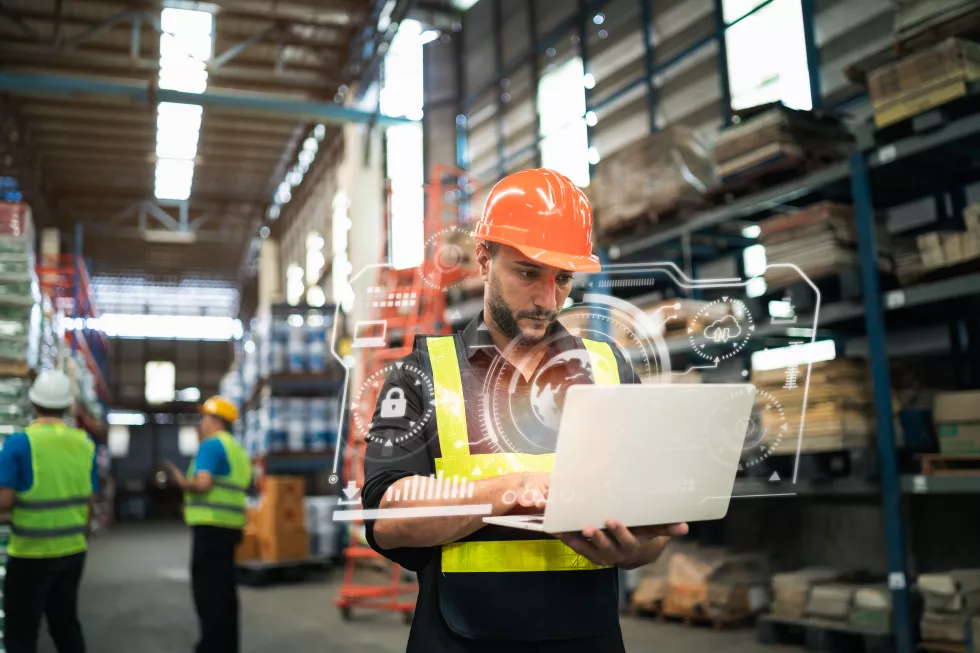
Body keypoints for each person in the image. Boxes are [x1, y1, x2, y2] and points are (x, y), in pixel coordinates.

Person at [362, 168, 689, 653]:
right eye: (528, 273)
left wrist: (637, 548)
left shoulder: (606, 367)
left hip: (588, 637)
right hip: (461, 638)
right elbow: (387, 517)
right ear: (483, 259)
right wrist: (510, 491)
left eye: (562, 279)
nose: (545, 298)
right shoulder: (422, 374)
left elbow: (652, 521)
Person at [0, 370, 98, 653]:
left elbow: (4, 501)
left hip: (31, 553)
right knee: (65, 624)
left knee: (21, 633)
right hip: (72, 552)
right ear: (69, 406)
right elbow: (89, 503)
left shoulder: (20, 443)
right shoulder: (84, 444)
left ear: (33, 403)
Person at [165, 396, 251, 653]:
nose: (201, 423)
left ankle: (211, 647)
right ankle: (226, 646)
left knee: (208, 594)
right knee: (225, 594)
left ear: (215, 420)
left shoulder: (211, 446)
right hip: (231, 527)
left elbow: (203, 484)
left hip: (211, 528)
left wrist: (181, 482)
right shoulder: (236, 448)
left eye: (204, 417)